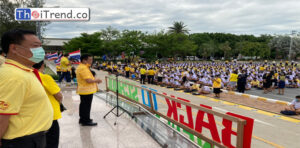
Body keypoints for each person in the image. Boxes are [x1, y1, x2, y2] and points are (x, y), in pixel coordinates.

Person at [0, 29, 53, 147]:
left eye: (40, 46)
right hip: (21, 141)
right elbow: (2, 115)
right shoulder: (13, 76)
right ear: (14, 48)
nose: (41, 50)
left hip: (31, 138)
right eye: (35, 46)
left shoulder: (24, 71)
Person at [33, 61, 63, 148]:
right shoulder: (44, 77)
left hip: (35, 114)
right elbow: (58, 95)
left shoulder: (29, 76)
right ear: (42, 65)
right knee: (52, 141)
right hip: (49, 114)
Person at [76, 54, 102, 126]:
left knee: (83, 105)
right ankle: (85, 120)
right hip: (86, 90)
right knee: (86, 106)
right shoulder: (83, 68)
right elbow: (88, 80)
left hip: (84, 90)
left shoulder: (83, 67)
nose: (91, 61)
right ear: (84, 60)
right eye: (90, 59)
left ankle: (83, 119)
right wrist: (97, 80)